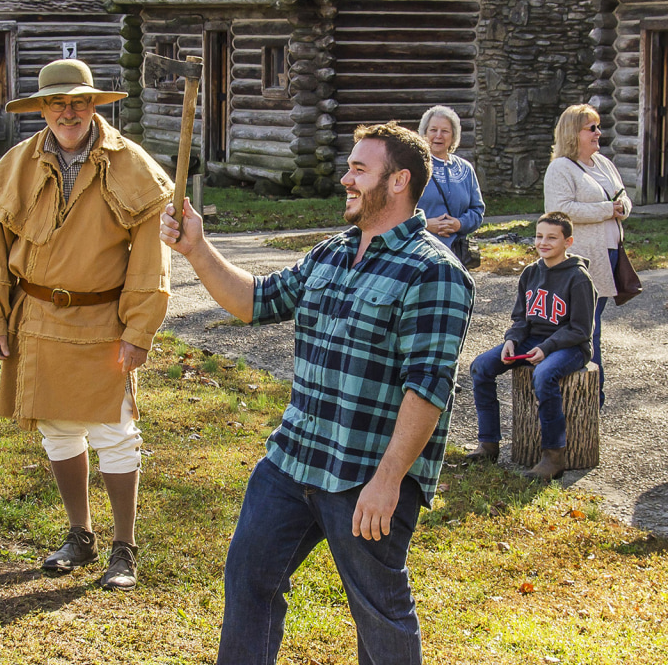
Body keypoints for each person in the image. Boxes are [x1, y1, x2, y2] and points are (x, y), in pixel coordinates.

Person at [161, 123, 473, 665]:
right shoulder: (332, 252)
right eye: (349, 167)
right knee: (250, 579)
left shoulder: (435, 272)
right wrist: (197, 247)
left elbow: (426, 389)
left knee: (379, 613)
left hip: (363, 475)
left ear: (398, 181)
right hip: (294, 458)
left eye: (359, 169)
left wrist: (388, 480)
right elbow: (255, 302)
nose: (345, 178)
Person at [0, 59, 174, 590]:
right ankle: (80, 535)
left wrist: (138, 332)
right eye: (57, 103)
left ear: (94, 106)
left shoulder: (131, 166)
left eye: (78, 102)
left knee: (115, 433)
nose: (68, 112)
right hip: (35, 317)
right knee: (57, 428)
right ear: (42, 109)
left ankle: (124, 547)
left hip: (103, 319)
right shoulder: (17, 165)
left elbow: (151, 262)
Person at [465, 212, 596, 480]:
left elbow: (581, 329)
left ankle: (553, 456)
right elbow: (521, 318)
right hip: (533, 341)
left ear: (568, 241)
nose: (543, 242)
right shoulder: (531, 273)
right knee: (481, 366)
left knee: (544, 375)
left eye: (552, 237)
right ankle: (488, 444)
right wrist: (512, 340)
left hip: (571, 347)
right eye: (539, 236)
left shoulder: (578, 278)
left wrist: (547, 347)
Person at [542, 104, 630, 397]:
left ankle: (592, 395)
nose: (598, 133)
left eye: (598, 127)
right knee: (586, 329)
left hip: (609, 254)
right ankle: (588, 396)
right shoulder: (560, 168)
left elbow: (623, 197)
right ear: (573, 132)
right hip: (581, 258)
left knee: (593, 325)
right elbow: (560, 210)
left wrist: (622, 208)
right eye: (590, 128)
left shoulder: (603, 164)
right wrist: (608, 209)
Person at [415, 105, 485, 263]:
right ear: (424, 132)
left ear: (453, 136)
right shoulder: (411, 167)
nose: (438, 136)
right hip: (419, 254)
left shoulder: (465, 169)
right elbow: (395, 211)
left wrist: (459, 224)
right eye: (433, 130)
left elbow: (477, 210)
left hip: (456, 255)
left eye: (445, 131)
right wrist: (424, 224)